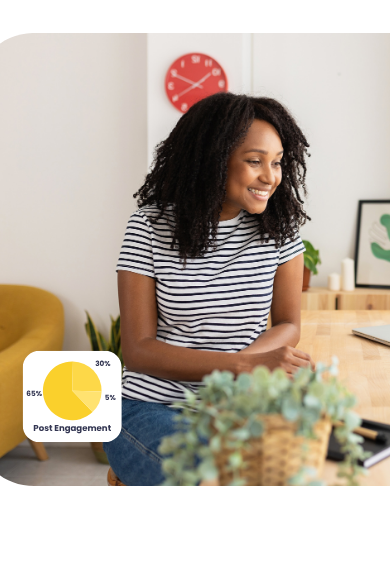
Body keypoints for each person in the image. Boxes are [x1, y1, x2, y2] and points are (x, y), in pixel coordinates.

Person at [104, 93, 314, 485]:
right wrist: (241, 367)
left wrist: (243, 375)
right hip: (151, 405)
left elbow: (287, 322)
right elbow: (137, 349)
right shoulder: (149, 228)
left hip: (241, 404)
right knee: (211, 477)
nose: (270, 176)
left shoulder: (278, 229)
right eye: (255, 161)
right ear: (213, 160)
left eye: (277, 162)